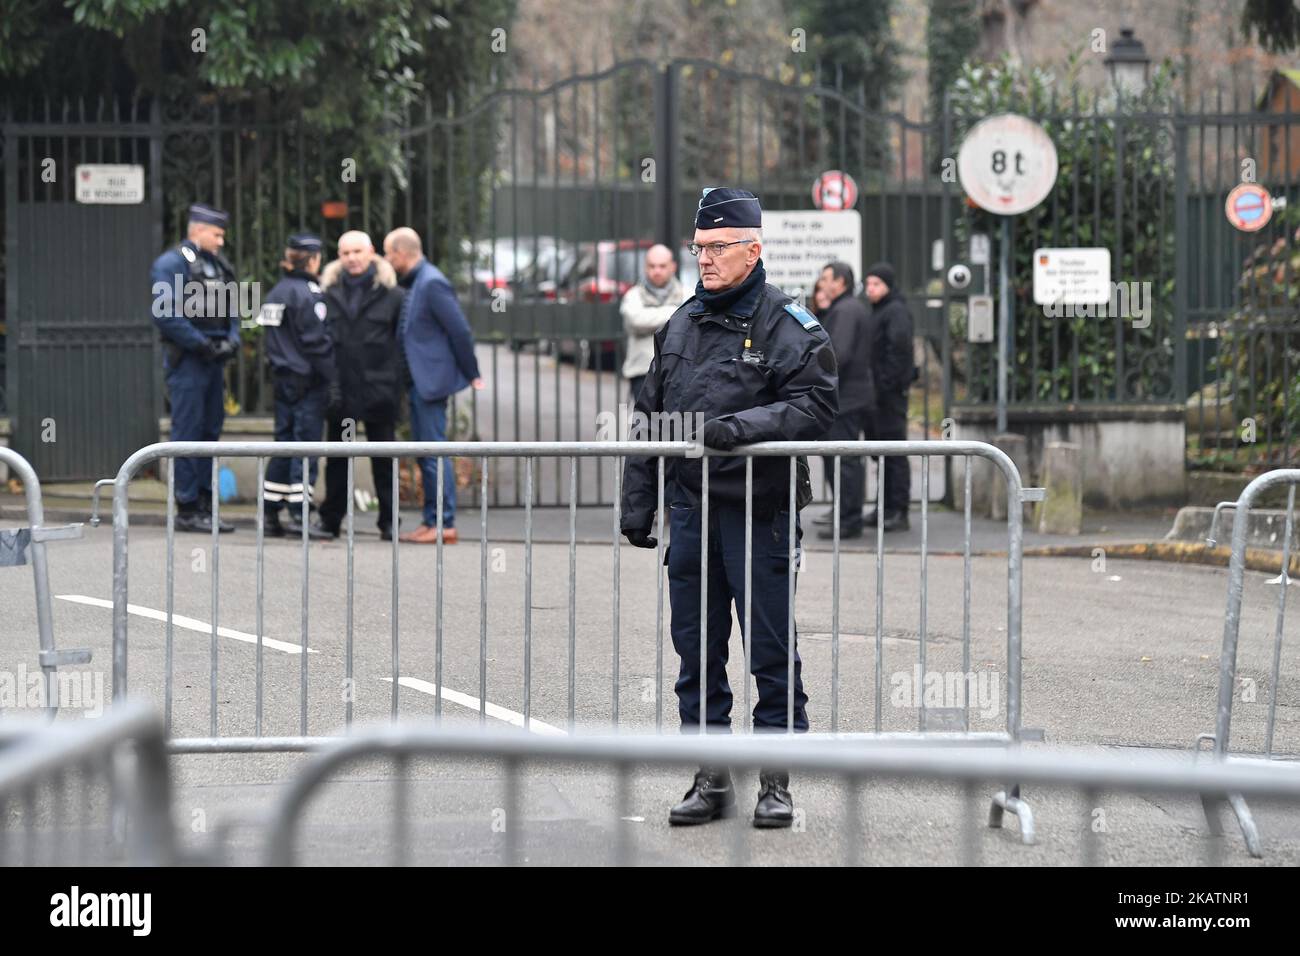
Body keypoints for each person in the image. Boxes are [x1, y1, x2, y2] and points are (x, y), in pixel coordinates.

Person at [620, 187, 838, 829]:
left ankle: (776, 782)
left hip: (759, 514)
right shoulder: (681, 324)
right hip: (690, 514)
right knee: (697, 650)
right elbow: (650, 420)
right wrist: (639, 503)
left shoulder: (786, 323)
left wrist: (739, 428)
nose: (705, 260)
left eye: (717, 248)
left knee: (770, 651)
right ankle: (710, 776)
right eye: (699, 248)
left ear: (754, 248)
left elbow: (817, 406)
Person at [383, 227, 484, 545]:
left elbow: (459, 330)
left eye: (389, 253)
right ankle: (433, 521)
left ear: (401, 252)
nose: (387, 259)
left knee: (433, 452)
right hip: (420, 383)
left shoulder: (432, 281)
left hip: (429, 383)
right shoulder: (419, 281)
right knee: (427, 452)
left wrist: (472, 372)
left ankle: (444, 523)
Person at [149, 203, 240, 534]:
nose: (220, 241)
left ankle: (205, 504)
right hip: (188, 359)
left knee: (210, 432)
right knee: (187, 432)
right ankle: (187, 507)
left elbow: (233, 306)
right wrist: (202, 344)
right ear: (198, 230)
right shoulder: (171, 264)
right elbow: (166, 314)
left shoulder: (217, 265)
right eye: (216, 234)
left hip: (213, 361)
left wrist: (232, 339)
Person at [317, 231, 405, 541]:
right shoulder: (327, 293)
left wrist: (397, 386)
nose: (352, 258)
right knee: (339, 458)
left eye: (357, 251)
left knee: (383, 458)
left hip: (380, 389)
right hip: (342, 390)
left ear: (371, 253)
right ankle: (330, 520)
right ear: (338, 257)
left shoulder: (393, 295)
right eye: (345, 253)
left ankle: (389, 520)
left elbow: (401, 344)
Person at [257, 233, 337, 539]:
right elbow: (317, 343)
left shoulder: (275, 293)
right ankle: (300, 514)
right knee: (306, 447)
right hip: (308, 382)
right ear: (313, 259)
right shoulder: (309, 294)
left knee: (284, 444)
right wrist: (332, 379)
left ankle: (270, 512)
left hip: (282, 380)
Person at [813, 262, 875, 540]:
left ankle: (849, 519)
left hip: (846, 398)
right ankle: (845, 513)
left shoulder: (846, 310)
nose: (822, 283)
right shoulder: (846, 308)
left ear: (840, 283)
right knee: (841, 458)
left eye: (827, 278)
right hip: (848, 396)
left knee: (844, 459)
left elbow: (839, 353)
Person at [864, 262, 916, 532]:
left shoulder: (894, 311)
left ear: (888, 286)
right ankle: (884, 507)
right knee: (882, 452)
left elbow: (898, 352)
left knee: (894, 452)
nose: (870, 289)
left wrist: (884, 385)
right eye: (868, 284)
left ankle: (899, 509)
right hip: (880, 394)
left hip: (889, 395)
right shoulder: (881, 311)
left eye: (876, 284)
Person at [620, 244, 686, 403]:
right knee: (646, 426)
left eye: (662, 266)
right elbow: (636, 320)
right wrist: (675, 313)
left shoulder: (688, 293)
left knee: (677, 426)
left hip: (679, 373)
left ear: (673, 267)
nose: (657, 271)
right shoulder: (633, 295)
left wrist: (653, 318)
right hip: (642, 373)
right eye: (652, 266)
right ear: (645, 267)